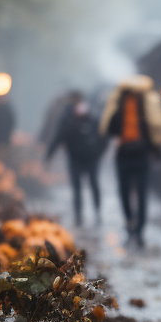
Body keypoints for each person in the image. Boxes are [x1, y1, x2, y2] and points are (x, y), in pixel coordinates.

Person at [100, 75, 161, 246]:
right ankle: (136, 228)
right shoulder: (143, 104)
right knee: (137, 192)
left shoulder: (122, 104)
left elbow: (110, 129)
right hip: (136, 153)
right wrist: (157, 151)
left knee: (127, 191)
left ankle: (133, 226)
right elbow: (155, 129)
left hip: (127, 153)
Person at [46, 93, 104, 225]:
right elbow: (59, 137)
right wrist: (49, 155)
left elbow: (103, 138)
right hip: (75, 159)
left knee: (94, 185)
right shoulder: (68, 121)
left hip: (91, 159)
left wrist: (98, 152)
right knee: (76, 188)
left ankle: (97, 211)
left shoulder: (93, 120)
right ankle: (78, 215)